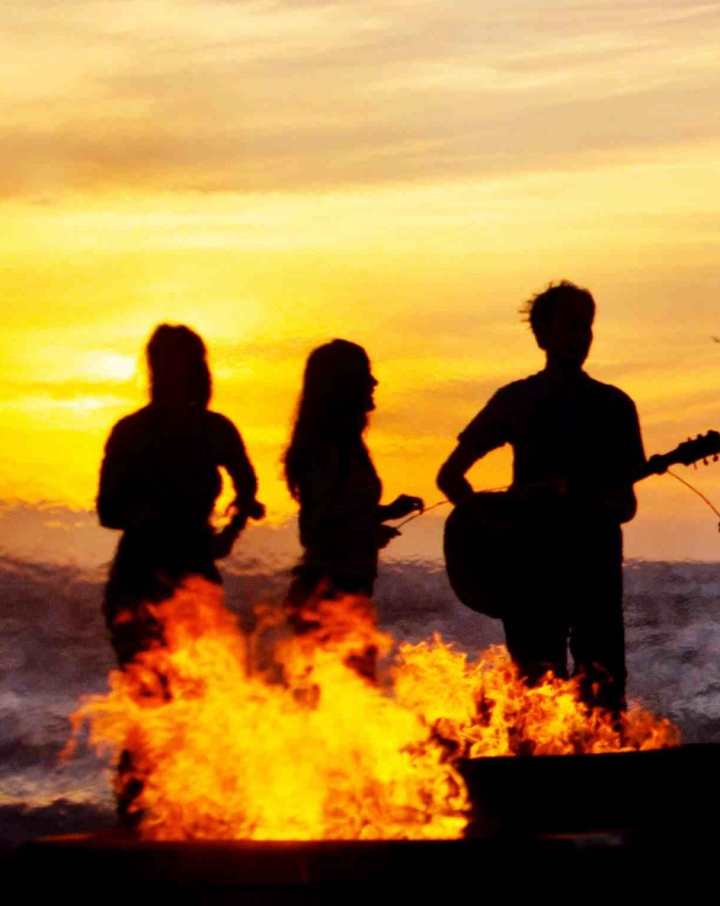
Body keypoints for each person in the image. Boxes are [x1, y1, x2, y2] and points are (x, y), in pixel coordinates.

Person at [437, 281, 646, 713]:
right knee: (536, 691)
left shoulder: (615, 406)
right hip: (529, 571)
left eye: (586, 327)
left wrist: (591, 503)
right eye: (570, 326)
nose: (581, 337)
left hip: (595, 572)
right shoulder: (515, 400)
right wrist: (491, 521)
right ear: (542, 335)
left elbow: (626, 506)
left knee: (603, 695)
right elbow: (450, 476)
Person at [98, 323, 264, 669]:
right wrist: (228, 530)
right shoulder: (208, 429)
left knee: (178, 692)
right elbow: (108, 511)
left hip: (170, 574)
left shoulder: (137, 431)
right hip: (149, 578)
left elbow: (248, 490)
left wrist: (231, 530)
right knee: (168, 693)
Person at [283, 339, 423, 625]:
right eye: (365, 374)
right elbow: (313, 530)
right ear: (344, 385)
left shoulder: (347, 444)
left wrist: (386, 512)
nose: (374, 381)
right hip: (329, 595)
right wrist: (367, 534)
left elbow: (340, 512)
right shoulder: (328, 447)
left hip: (346, 590)